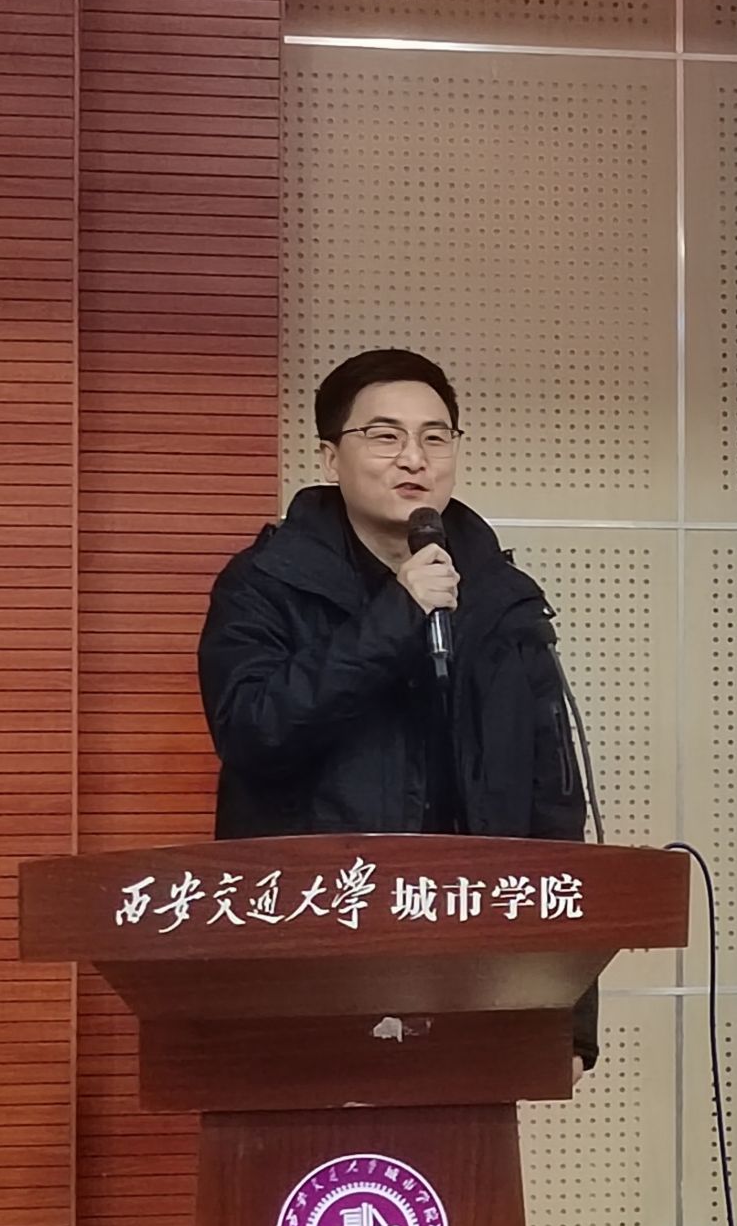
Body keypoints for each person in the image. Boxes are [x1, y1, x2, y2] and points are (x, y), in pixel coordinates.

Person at [196, 347, 596, 1080]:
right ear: (331, 457)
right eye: (385, 436)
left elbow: (552, 811)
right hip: (314, 958)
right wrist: (396, 616)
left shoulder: (502, 599)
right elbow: (254, 732)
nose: (414, 457)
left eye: (435, 437)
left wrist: (565, 1015)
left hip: (473, 972)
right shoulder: (264, 585)